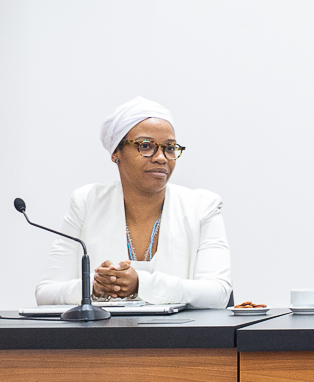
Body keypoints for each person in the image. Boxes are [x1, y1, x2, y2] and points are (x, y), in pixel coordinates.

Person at [34, 96, 232, 308]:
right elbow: (46, 293)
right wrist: (93, 287)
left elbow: (218, 293)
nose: (161, 157)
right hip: (103, 339)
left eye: (170, 147)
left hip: (181, 339)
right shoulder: (87, 202)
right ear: (116, 152)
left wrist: (141, 284)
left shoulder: (202, 206)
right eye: (146, 146)